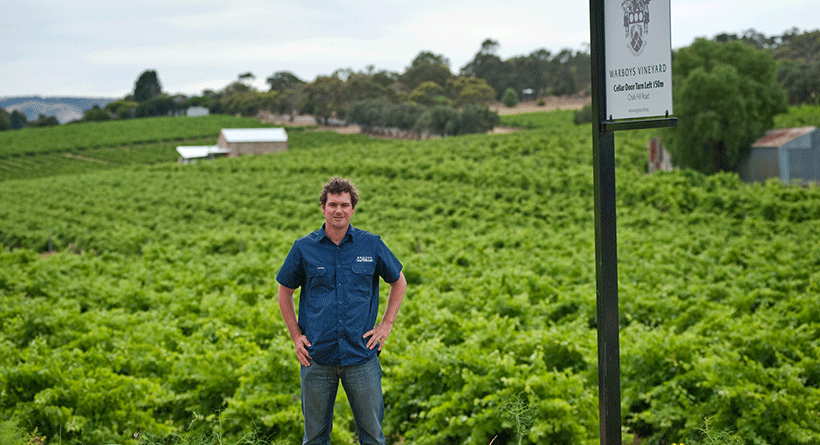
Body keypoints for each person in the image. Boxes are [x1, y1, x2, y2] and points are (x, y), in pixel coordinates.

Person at [276, 177, 407, 445]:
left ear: (353, 209)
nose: (339, 210)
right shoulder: (303, 247)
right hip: (316, 357)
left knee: (372, 436)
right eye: (333, 204)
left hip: (361, 356)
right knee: (314, 438)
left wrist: (386, 325)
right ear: (322, 207)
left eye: (344, 205)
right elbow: (284, 292)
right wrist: (295, 336)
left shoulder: (370, 244)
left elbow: (399, 281)